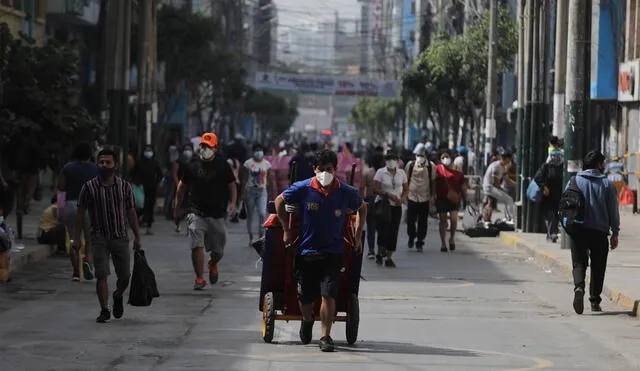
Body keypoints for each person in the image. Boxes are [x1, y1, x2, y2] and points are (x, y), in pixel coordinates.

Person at [274, 150, 366, 352]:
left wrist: (358, 235)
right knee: (306, 297)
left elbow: (362, 207)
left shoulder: (345, 191)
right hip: (307, 252)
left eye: (329, 169)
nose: (325, 173)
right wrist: (286, 230)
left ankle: (326, 336)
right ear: (315, 169)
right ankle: (307, 321)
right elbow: (280, 201)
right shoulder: (304, 188)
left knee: (328, 295)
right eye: (321, 169)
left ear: (335, 170)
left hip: (334, 253)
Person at [76, 148, 142, 323]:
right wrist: (77, 238)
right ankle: (104, 309)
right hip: (98, 237)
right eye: (101, 162)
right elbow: (80, 213)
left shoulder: (125, 187)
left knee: (125, 277)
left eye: (108, 162)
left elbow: (131, 212)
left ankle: (118, 295)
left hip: (120, 236)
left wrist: (138, 237)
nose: (104, 165)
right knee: (101, 274)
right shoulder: (89, 187)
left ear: (116, 165)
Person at [174, 133, 237, 290]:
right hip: (196, 211)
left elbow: (232, 185)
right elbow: (182, 186)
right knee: (197, 245)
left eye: (208, 146)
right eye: (203, 146)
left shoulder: (223, 165)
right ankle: (199, 278)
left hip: (217, 213)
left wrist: (233, 203)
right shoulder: (192, 164)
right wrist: (177, 205)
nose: (205, 149)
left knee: (218, 251)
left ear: (215, 148)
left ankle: (212, 263)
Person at [570, 150, 620, 314]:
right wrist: (615, 232)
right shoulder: (607, 184)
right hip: (599, 232)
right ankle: (594, 301)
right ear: (599, 165)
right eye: (603, 162)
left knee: (579, 262)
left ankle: (579, 288)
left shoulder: (574, 180)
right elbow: (613, 211)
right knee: (598, 266)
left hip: (578, 229)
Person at [57, 143, 98, 281]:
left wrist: (60, 210)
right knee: (90, 240)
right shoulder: (96, 169)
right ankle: (88, 263)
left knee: (73, 238)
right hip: (89, 207)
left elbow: (61, 189)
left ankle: (76, 272)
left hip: (70, 205)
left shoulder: (67, 168)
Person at [372, 151, 408, 267]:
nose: (391, 161)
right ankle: (380, 251)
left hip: (397, 205)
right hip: (384, 205)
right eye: (388, 159)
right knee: (383, 230)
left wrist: (402, 198)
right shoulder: (380, 172)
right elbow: (375, 189)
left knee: (394, 231)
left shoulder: (401, 173)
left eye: (393, 159)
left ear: (397, 161)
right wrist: (388, 194)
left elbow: (406, 188)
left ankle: (389, 256)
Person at [405, 143, 436, 252]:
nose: (420, 156)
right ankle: (411, 236)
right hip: (412, 196)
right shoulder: (410, 165)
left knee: (423, 221)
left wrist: (432, 196)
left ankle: (420, 240)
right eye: (418, 154)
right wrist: (404, 194)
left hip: (425, 197)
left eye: (422, 154)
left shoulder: (431, 166)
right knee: (410, 219)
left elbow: (433, 182)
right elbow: (406, 180)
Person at [435, 150, 467, 252]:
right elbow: (432, 183)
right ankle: (443, 243)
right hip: (441, 198)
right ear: (440, 160)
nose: (445, 159)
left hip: (454, 199)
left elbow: (463, 186)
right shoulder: (437, 170)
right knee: (443, 220)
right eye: (443, 157)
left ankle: (452, 238)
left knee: (454, 219)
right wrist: (432, 195)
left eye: (447, 157)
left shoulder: (458, 173)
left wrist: (466, 198)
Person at [242, 144, 273, 244]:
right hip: (250, 191)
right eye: (256, 150)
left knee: (262, 213)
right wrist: (242, 193)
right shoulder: (248, 163)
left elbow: (269, 179)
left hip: (262, 191)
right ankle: (251, 237)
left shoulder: (267, 164)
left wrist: (272, 193)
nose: (258, 152)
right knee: (250, 215)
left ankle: (261, 236)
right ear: (253, 152)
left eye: (260, 150)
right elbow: (244, 179)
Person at [130, 145, 163, 235]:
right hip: (140, 187)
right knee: (139, 206)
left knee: (149, 207)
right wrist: (136, 182)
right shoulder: (139, 162)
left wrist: (156, 182)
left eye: (150, 150)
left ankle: (148, 226)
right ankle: (137, 224)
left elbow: (160, 174)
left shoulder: (155, 163)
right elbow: (133, 173)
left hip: (151, 188)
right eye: (146, 150)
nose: (148, 152)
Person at [533, 149, 564, 243]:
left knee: (556, 215)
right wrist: (544, 187)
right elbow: (537, 178)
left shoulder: (562, 167)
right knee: (550, 216)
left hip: (559, 196)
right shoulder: (545, 167)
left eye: (558, 157)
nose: (555, 159)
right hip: (547, 196)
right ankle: (551, 234)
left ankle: (551, 234)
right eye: (553, 156)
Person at [482, 151, 515, 222]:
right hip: (489, 187)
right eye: (509, 160)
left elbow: (507, 179)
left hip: (491, 187)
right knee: (509, 199)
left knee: (490, 203)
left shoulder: (503, 166)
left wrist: (515, 184)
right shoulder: (496, 166)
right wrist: (503, 190)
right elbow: (496, 182)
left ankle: (486, 219)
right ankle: (511, 218)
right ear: (505, 159)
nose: (510, 162)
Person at [363, 151, 385, 259]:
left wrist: (361, 201)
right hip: (381, 201)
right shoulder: (384, 173)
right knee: (381, 227)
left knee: (371, 227)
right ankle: (381, 249)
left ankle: (371, 250)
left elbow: (362, 189)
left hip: (371, 201)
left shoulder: (367, 173)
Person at [172, 143, 194, 232]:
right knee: (180, 206)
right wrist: (178, 186)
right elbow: (175, 174)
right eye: (186, 149)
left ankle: (190, 226)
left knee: (191, 207)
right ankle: (177, 221)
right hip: (181, 187)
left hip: (191, 187)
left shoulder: (194, 161)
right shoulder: (178, 161)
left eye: (189, 149)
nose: (188, 151)